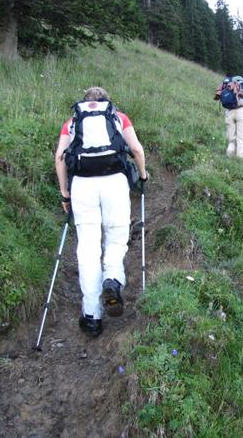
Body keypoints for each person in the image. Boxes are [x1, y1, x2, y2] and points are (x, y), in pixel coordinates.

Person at [54, 87, 147, 338]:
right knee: (116, 238)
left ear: (85, 103)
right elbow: (136, 150)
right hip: (114, 182)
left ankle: (91, 316)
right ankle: (112, 279)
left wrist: (65, 193)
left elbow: (60, 157)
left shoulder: (72, 122)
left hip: (82, 185)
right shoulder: (119, 117)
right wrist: (143, 176)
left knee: (88, 247)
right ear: (107, 102)